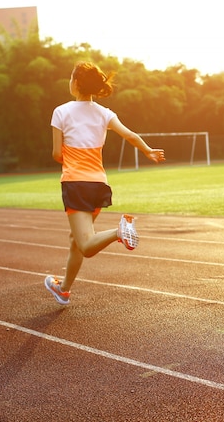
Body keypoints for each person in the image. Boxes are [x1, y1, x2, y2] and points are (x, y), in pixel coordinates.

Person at [44, 61, 165, 305]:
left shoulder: (61, 112)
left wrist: (71, 152)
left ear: (76, 83)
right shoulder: (104, 112)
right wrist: (148, 150)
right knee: (76, 241)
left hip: (76, 183)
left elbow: (57, 154)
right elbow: (129, 135)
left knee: (86, 245)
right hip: (98, 184)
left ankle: (119, 231)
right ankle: (64, 289)